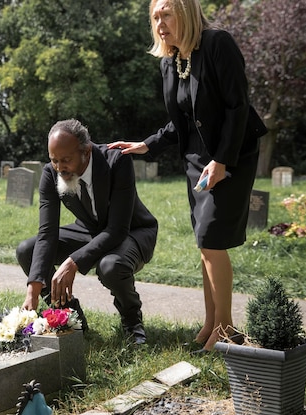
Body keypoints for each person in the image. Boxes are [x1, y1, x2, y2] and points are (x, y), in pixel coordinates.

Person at [108, 0, 267, 352]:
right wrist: (146, 145)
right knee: (204, 244)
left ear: (186, 12)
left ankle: (226, 331)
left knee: (212, 238)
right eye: (154, 17)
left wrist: (223, 161)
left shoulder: (216, 43)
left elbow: (237, 106)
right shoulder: (171, 60)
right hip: (196, 159)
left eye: (166, 13)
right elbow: (179, 122)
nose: (159, 22)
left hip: (231, 155)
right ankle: (211, 323)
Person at [17, 119, 158, 344]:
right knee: (27, 251)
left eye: (66, 160)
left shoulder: (117, 161)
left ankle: (132, 321)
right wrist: (33, 289)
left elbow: (117, 230)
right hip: (88, 230)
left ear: (86, 151)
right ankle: (70, 317)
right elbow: (47, 233)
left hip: (132, 231)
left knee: (110, 266)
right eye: (54, 160)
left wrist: (72, 262)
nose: (59, 168)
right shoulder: (51, 173)